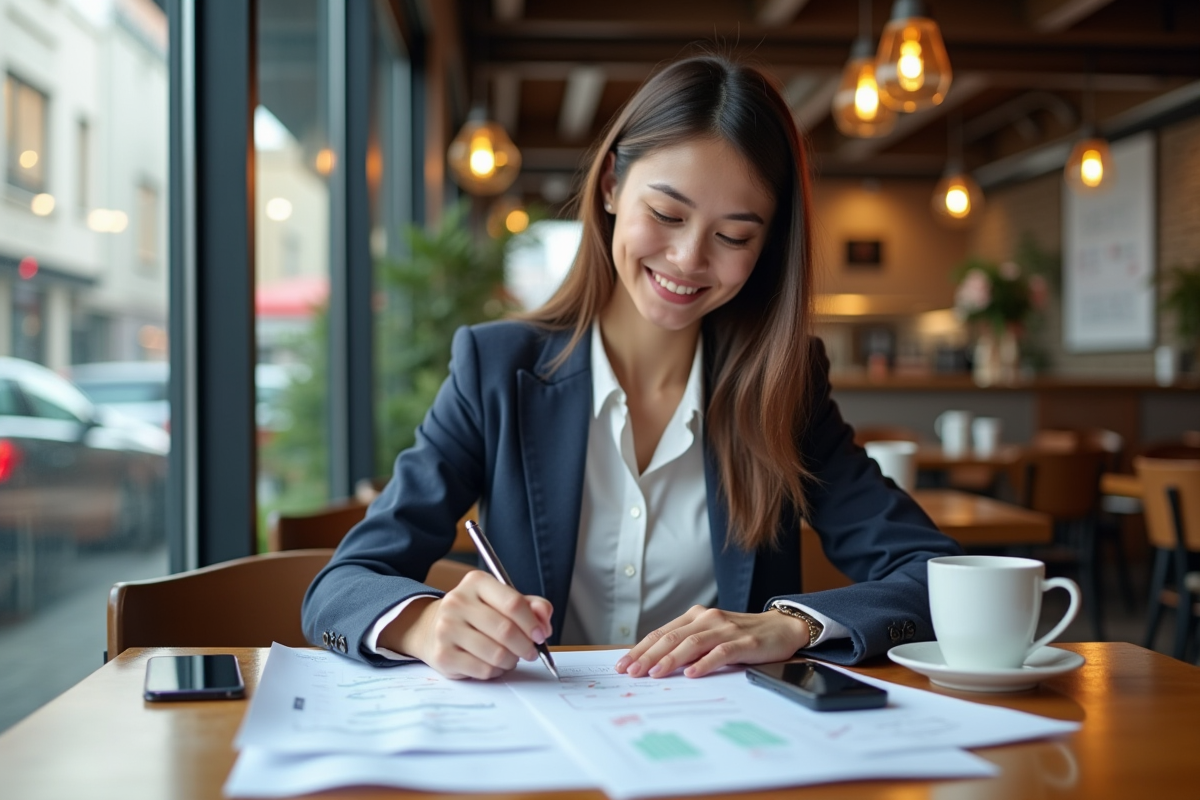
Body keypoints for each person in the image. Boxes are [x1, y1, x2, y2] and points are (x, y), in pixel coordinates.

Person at [302, 53, 961, 680]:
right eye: (666, 213)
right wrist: (424, 624)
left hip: (732, 751)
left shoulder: (783, 386)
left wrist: (793, 625)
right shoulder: (497, 369)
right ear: (613, 184)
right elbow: (344, 585)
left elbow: (936, 575)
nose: (687, 258)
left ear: (767, 245)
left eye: (734, 235)